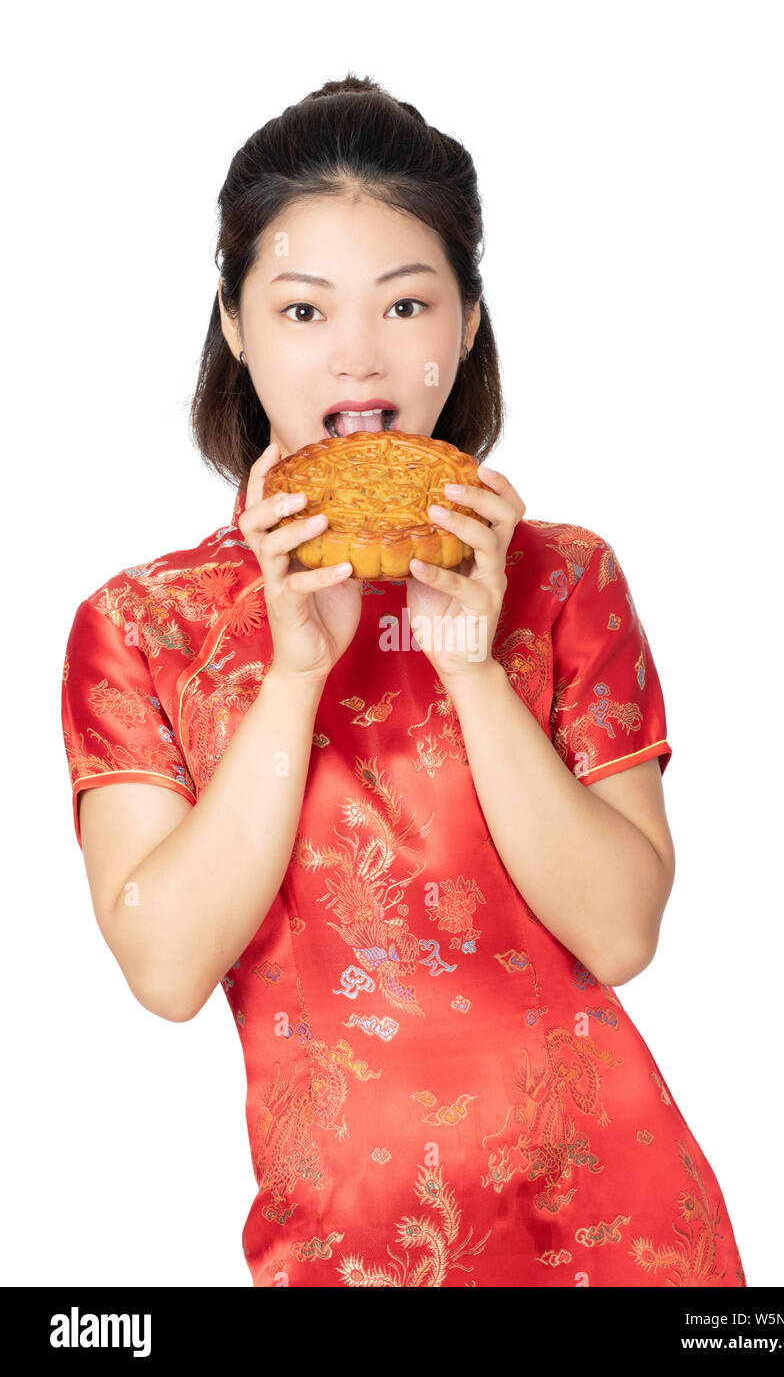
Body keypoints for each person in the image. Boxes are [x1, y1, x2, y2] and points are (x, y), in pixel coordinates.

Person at [60, 73, 746, 1288]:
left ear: (468, 322)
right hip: (342, 1257)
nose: (359, 357)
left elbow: (621, 927)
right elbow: (165, 968)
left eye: (407, 303)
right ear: (233, 324)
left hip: (620, 1239)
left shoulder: (563, 578)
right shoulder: (147, 625)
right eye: (304, 311)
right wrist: (292, 674)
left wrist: (472, 667)